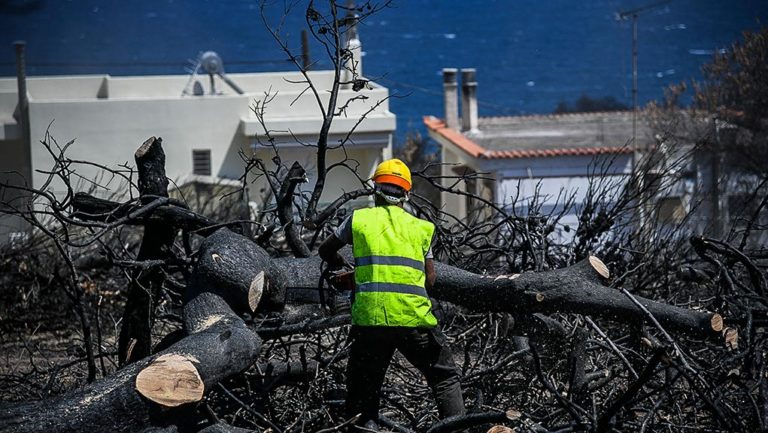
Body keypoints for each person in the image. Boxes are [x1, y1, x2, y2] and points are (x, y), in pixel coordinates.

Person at [319, 159, 465, 432]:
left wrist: (345, 270)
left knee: (363, 393)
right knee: (444, 378)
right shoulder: (421, 228)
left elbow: (325, 251)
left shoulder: (358, 219)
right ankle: (456, 429)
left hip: (370, 322)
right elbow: (430, 279)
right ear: (406, 194)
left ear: (375, 190)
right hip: (413, 319)